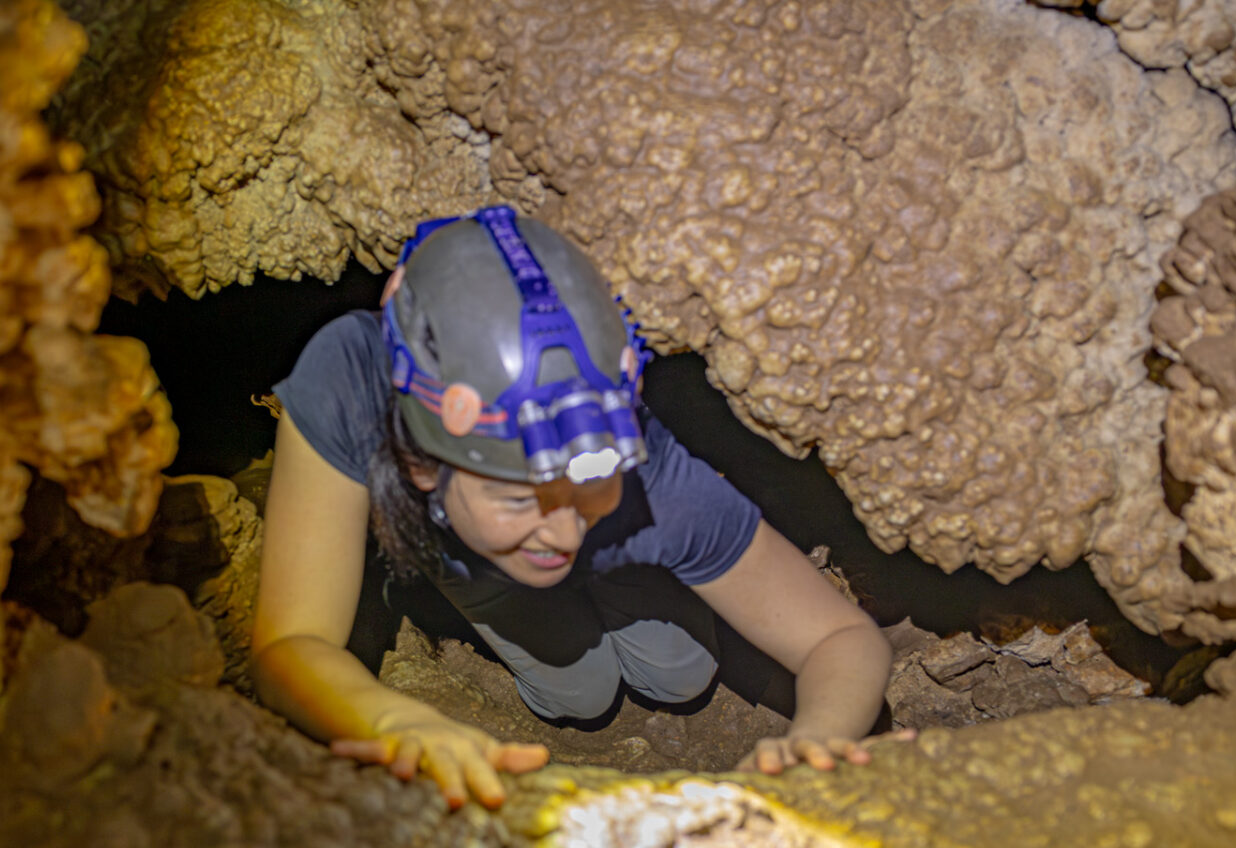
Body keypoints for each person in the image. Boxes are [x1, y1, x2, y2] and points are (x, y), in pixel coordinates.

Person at [250, 206, 893, 809]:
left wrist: (820, 740)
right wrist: (396, 720)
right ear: (420, 465)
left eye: (587, 485)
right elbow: (291, 645)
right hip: (462, 554)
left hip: (622, 548)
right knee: (575, 696)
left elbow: (840, 637)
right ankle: (482, 577)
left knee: (682, 677)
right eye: (518, 496)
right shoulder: (348, 385)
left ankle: (623, 571)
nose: (564, 531)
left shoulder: (649, 474)